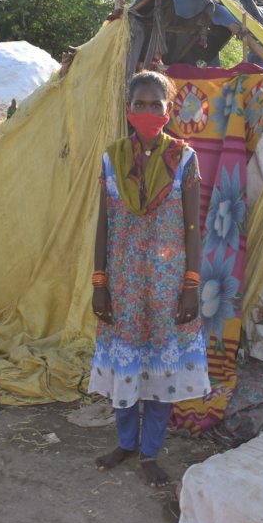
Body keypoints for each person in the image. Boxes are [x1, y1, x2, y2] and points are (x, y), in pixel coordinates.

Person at [90, 70, 209, 487]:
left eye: (154, 104)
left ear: (167, 110)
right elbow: (103, 224)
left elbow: (193, 226)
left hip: (167, 283)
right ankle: (125, 442)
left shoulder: (184, 158)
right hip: (122, 284)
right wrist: (99, 283)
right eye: (138, 104)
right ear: (128, 109)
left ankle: (150, 452)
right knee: (125, 367)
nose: (145, 111)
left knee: (160, 371)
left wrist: (191, 286)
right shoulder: (113, 158)